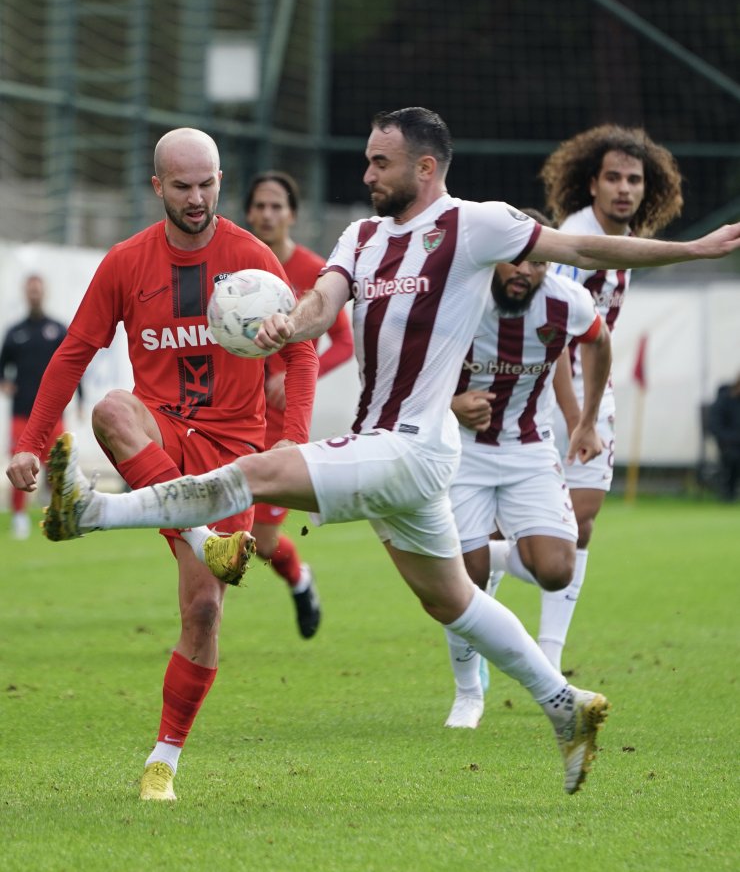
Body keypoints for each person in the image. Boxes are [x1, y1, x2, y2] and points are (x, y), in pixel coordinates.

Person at [34, 107, 740, 796]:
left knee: (255, 474)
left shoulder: (475, 224)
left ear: (425, 167)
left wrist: (692, 249)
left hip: (412, 447)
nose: (367, 171)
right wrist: (285, 323)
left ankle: (91, 510)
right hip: (396, 457)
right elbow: (320, 306)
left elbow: (584, 249)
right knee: (454, 602)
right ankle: (567, 703)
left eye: (380, 161)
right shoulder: (362, 235)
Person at [5, 128, 319, 801]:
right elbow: (73, 353)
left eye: (208, 183)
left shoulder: (252, 256)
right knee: (113, 409)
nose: (198, 197)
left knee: (203, 609)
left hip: (234, 449)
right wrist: (30, 442)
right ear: (158, 187)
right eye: (183, 186)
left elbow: (302, 350)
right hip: (161, 436)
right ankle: (205, 538)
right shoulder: (125, 262)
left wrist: (291, 438)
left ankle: (164, 760)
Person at [442, 210, 612, 730]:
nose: (525, 269)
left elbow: (600, 342)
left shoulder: (566, 300)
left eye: (538, 260)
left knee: (557, 568)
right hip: (463, 452)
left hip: (529, 450)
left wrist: (584, 421)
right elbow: (407, 369)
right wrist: (451, 404)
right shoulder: (457, 296)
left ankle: (490, 556)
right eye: (515, 257)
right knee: (461, 583)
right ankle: (468, 693)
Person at [537, 125, 684, 671]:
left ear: (649, 188)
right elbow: (546, 337)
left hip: (593, 394)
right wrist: (577, 419)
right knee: (539, 530)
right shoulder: (576, 242)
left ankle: (549, 655)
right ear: (591, 184)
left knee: (583, 523)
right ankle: (473, 591)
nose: (624, 188)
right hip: (549, 396)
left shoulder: (623, 240)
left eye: (634, 179)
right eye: (613, 178)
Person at [244, 171, 354, 637]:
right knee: (220, 519)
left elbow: (344, 343)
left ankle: (298, 579)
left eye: (277, 206)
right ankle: (200, 620)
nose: (268, 215)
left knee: (263, 542)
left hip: (279, 422)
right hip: (231, 412)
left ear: (291, 214)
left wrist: (293, 373)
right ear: (248, 212)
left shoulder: (311, 269)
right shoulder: (237, 264)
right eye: (260, 206)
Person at [0, 274, 83, 539]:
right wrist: (4, 383)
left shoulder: (57, 329)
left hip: (52, 414)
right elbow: (2, 367)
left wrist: (79, 398)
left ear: (43, 293)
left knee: (56, 466)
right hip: (22, 412)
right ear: (26, 294)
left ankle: (56, 513)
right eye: (30, 290)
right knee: (20, 465)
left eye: (38, 290)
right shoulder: (15, 333)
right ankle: (19, 517)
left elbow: (73, 365)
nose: (34, 294)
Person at [707, 373, 740, 501]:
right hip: (730, 445)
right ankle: (728, 494)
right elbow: (715, 426)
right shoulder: (724, 400)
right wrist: (733, 439)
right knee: (733, 458)